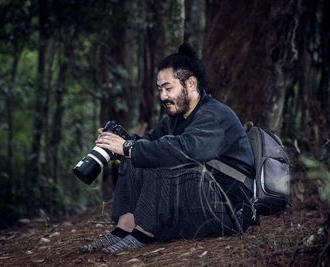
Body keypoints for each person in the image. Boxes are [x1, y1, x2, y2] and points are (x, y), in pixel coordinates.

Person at [83, 43, 255, 254]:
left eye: (168, 88)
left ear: (191, 84)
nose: (163, 96)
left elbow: (184, 150)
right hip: (198, 202)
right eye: (160, 90)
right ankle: (124, 228)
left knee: (162, 154)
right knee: (137, 152)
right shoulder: (173, 120)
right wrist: (118, 142)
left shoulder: (216, 115)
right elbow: (145, 144)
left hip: (229, 211)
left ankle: (142, 233)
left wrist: (130, 147)